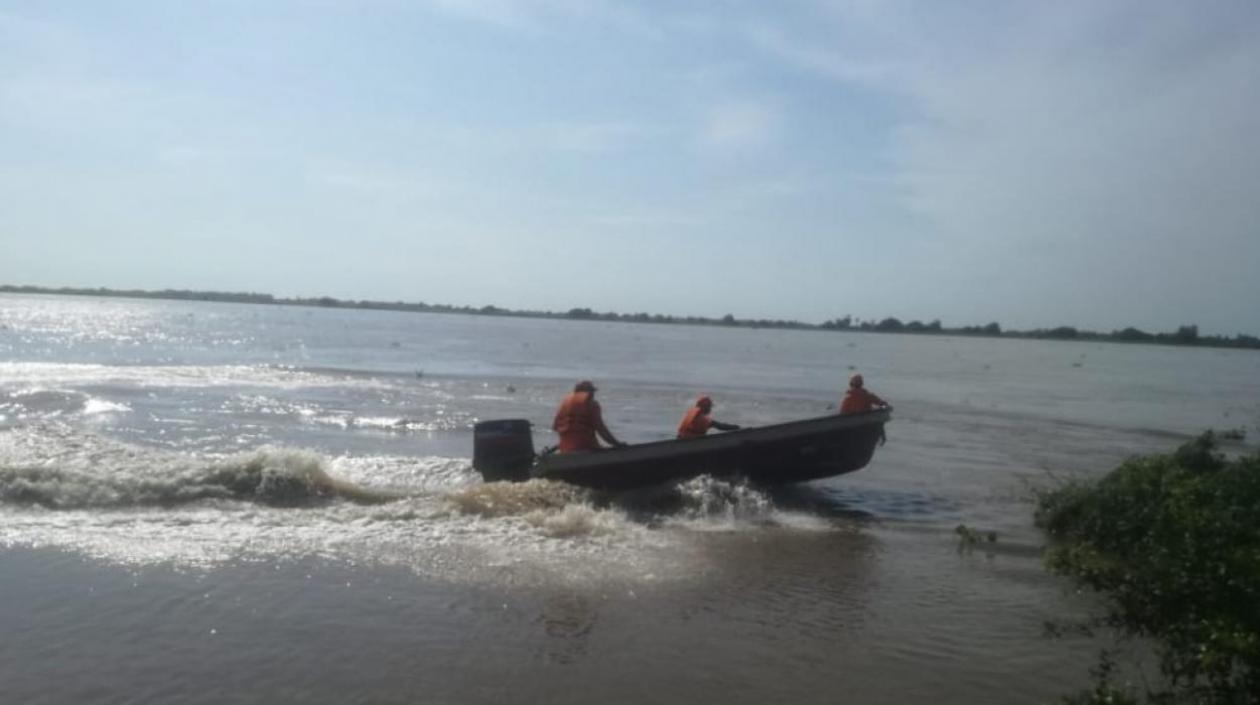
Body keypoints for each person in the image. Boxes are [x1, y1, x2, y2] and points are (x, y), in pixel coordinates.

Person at [552, 380, 627, 453]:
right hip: (585, 447)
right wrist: (617, 444)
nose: (593, 394)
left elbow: (555, 427)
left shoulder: (565, 403)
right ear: (587, 392)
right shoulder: (591, 404)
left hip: (566, 449)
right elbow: (601, 429)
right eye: (591, 391)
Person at [677, 395, 741, 439]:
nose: (710, 409)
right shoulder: (704, 419)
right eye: (709, 406)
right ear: (704, 407)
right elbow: (721, 426)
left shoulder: (689, 414)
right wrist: (736, 427)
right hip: (692, 444)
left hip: (681, 440)